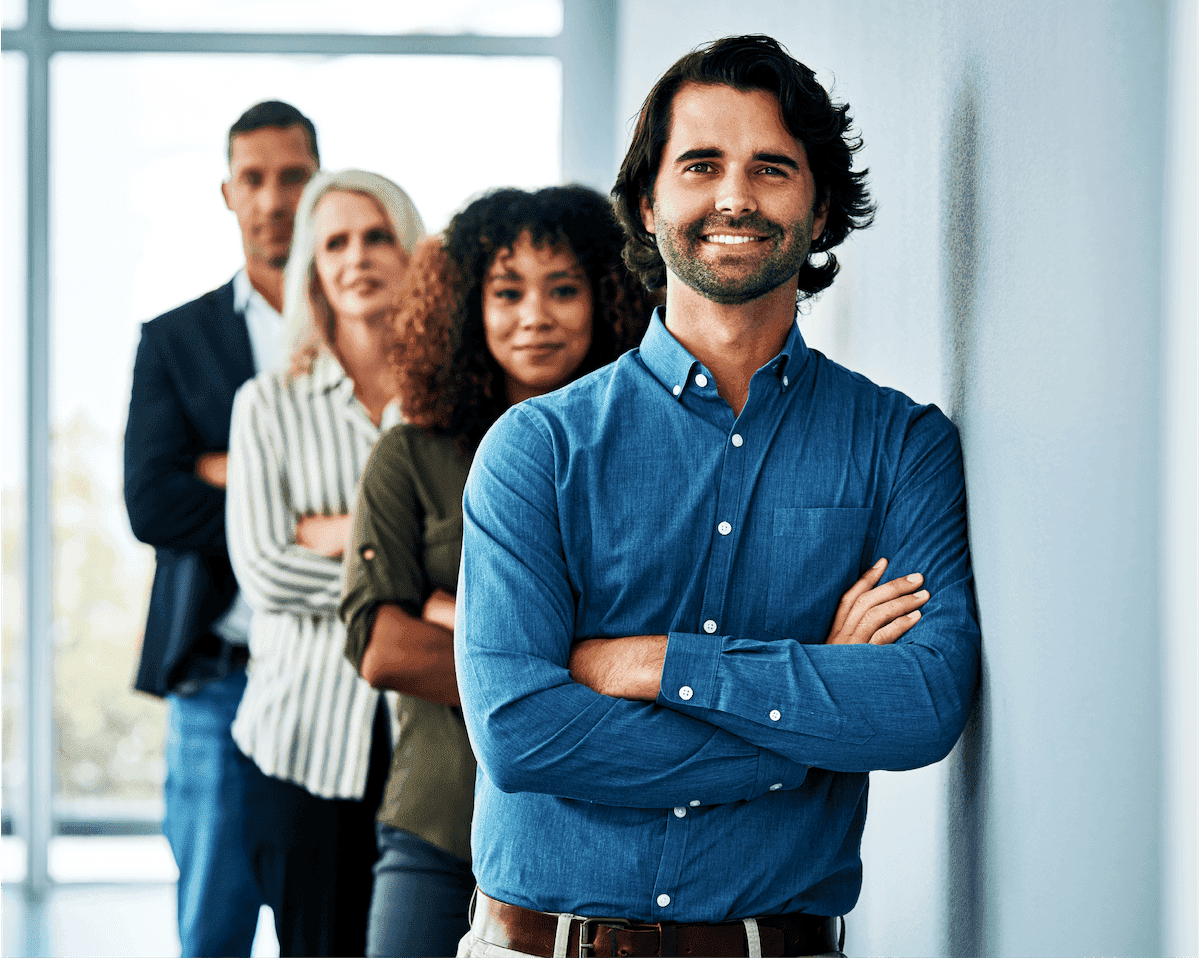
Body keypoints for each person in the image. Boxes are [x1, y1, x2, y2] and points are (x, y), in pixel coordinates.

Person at [454, 35, 981, 958]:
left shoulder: (902, 447)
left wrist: (660, 664)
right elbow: (520, 734)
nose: (735, 197)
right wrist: (811, 719)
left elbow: (923, 702)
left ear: (820, 213)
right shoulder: (535, 450)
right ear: (651, 203)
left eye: (772, 169)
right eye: (702, 165)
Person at [339, 185, 655, 958]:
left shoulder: (647, 454)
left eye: (564, 290)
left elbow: (664, 631)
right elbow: (380, 646)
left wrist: (462, 622)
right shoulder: (408, 455)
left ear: (608, 299)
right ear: (465, 309)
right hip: (435, 827)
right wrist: (569, 663)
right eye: (507, 293)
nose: (534, 316)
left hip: (591, 838)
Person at [123, 100, 319, 958]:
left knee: (334, 923)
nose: (274, 199)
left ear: (320, 186)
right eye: (254, 179)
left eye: (293, 177)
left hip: (341, 676)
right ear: (228, 194)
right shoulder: (174, 339)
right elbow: (152, 503)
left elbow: (384, 483)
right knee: (212, 931)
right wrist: (300, 504)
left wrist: (229, 467)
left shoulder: (362, 323)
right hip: (219, 682)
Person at [225, 168, 425, 957]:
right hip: (301, 749)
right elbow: (268, 570)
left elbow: (479, 553)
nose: (357, 257)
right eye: (335, 241)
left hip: (427, 749)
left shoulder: (451, 398)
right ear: (312, 264)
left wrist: (336, 531)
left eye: (377, 236)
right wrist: (410, 570)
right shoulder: (267, 403)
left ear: (412, 253)